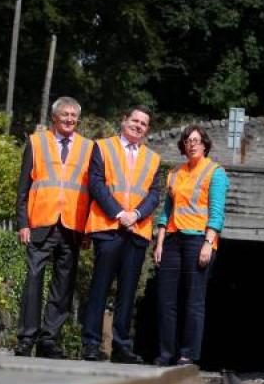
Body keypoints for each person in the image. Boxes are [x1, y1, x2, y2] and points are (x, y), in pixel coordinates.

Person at [81, 106, 161, 363]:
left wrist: (136, 215)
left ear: (147, 129)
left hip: (137, 231)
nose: (138, 126)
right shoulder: (102, 147)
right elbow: (95, 183)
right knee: (100, 287)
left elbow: (154, 194)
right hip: (108, 227)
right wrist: (119, 213)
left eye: (144, 123)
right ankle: (91, 343)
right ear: (124, 120)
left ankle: (121, 345)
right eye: (135, 120)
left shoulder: (153, 158)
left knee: (128, 291)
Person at [15, 97, 93, 358]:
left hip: (72, 225)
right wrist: (22, 223)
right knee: (33, 280)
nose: (70, 119)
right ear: (54, 118)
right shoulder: (36, 143)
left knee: (64, 284)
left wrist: (87, 230)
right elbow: (23, 187)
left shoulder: (87, 147)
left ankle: (49, 340)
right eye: (65, 115)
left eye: (74, 115)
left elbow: (91, 191)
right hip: (40, 223)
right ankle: (26, 338)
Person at [153, 124, 229, 366]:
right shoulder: (175, 174)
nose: (192, 144)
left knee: (193, 299)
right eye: (188, 140)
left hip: (199, 240)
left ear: (205, 145)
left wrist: (209, 243)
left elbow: (216, 214)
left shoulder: (215, 173)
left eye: (196, 140)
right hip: (173, 240)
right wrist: (160, 243)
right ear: (183, 146)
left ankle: (188, 354)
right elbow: (167, 212)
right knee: (166, 298)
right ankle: (166, 353)